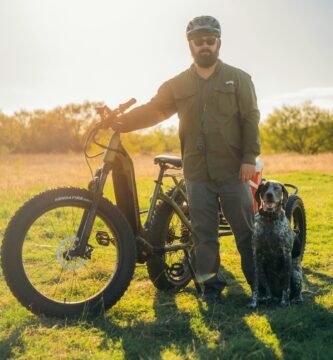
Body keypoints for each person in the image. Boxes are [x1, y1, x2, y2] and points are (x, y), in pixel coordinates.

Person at [113, 15, 260, 303]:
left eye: (210, 40)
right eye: (198, 41)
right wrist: (121, 122)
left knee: (245, 231)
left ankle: (260, 286)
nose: (204, 46)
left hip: (232, 169)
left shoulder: (239, 78)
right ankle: (210, 288)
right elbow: (154, 110)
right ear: (190, 45)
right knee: (203, 235)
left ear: (218, 42)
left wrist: (249, 158)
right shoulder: (177, 84)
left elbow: (251, 119)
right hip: (196, 171)